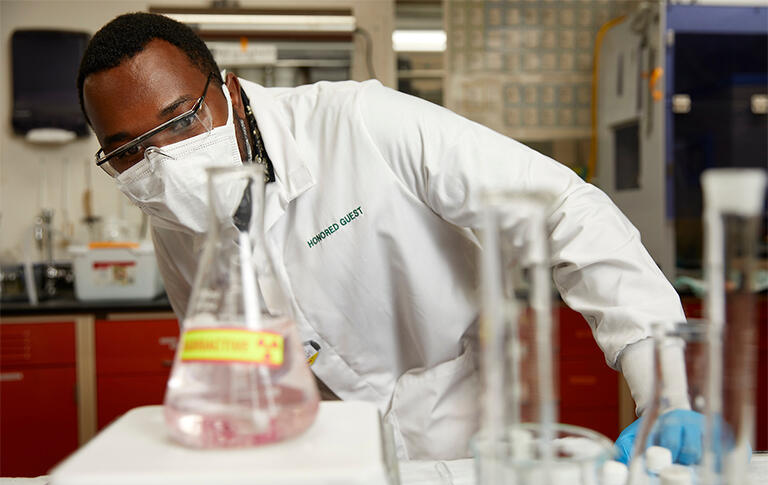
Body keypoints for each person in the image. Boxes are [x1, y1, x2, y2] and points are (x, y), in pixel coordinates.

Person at [78, 12, 700, 461]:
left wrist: (663, 387)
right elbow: (240, 366)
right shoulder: (175, 220)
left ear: (232, 93)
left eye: (181, 119)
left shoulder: (362, 122)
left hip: (462, 441)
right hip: (326, 461)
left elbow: (565, 209)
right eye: (127, 150)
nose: (165, 161)